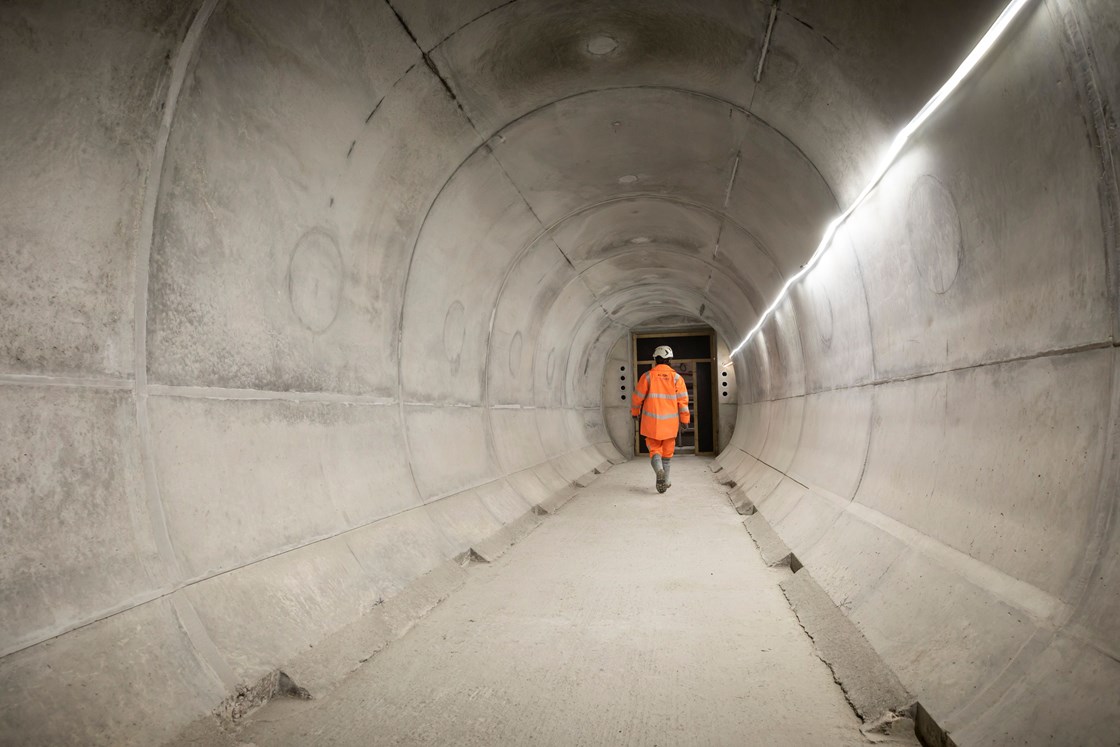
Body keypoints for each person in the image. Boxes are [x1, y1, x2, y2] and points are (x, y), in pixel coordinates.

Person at [630, 345, 690, 493]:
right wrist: (685, 420)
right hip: (670, 424)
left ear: (655, 359)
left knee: (655, 450)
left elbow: (637, 398)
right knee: (667, 454)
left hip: (651, 423)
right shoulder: (677, 378)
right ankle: (666, 481)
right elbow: (683, 402)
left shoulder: (647, 376)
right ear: (670, 360)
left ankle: (659, 472)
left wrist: (635, 412)